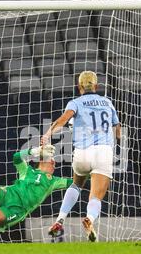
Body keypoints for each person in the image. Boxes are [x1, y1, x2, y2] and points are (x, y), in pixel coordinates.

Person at [41, 71, 121, 242]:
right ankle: (89, 219)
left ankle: (60, 219)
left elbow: (64, 119)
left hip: (82, 153)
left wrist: (48, 134)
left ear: (79, 87)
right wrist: (118, 142)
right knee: (95, 196)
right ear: (96, 86)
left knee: (76, 185)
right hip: (103, 152)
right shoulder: (107, 102)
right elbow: (117, 127)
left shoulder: (75, 102)